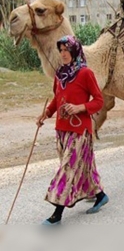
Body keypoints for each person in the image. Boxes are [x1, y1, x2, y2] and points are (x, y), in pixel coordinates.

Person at [36, 35, 108, 225]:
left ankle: (56, 214)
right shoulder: (60, 74)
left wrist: (80, 107)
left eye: (67, 50)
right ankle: (100, 195)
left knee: (67, 168)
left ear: (75, 51)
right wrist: (46, 113)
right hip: (61, 129)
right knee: (81, 167)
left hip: (80, 131)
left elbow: (99, 101)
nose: (63, 54)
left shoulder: (85, 73)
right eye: (61, 50)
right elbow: (56, 98)